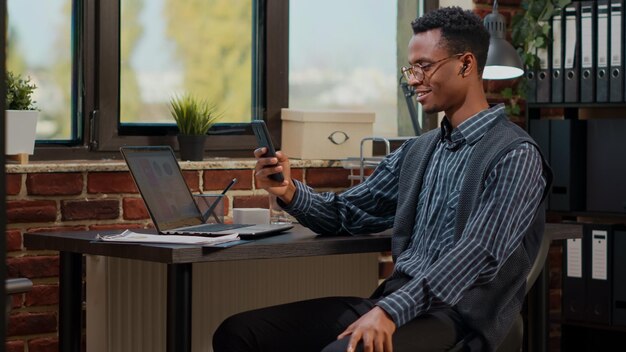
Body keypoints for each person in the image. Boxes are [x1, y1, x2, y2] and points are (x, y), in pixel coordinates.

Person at [213, 6, 552, 352]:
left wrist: (390, 312)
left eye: (424, 66)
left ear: (465, 64)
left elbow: (477, 252)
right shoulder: (418, 151)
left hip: (459, 317)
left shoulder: (515, 155)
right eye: (411, 68)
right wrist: (287, 190)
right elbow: (349, 213)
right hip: (395, 302)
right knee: (239, 333)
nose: (413, 79)